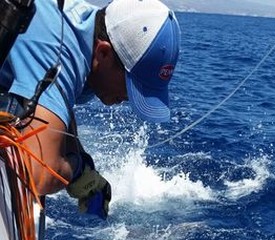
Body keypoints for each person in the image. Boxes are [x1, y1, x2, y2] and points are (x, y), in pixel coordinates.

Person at [0, 0, 180, 217]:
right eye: (131, 87)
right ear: (103, 53)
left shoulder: (89, 28)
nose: (128, 99)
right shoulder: (60, 49)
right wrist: (76, 172)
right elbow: (37, 173)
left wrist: (84, 164)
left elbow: (57, 104)